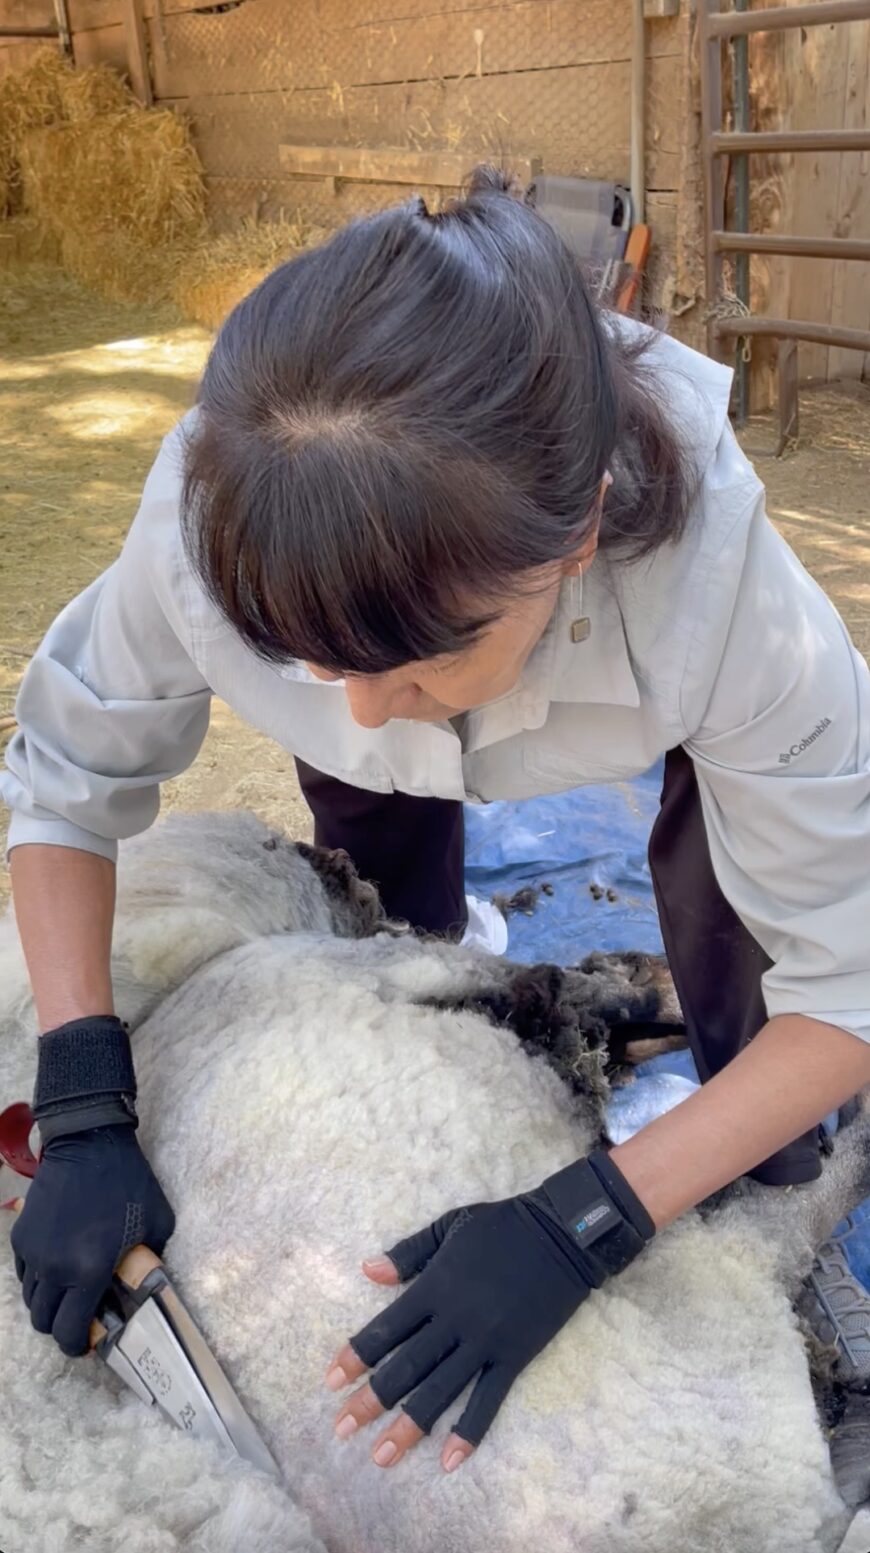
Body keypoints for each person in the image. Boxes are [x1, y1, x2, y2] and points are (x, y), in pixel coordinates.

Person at [3, 167, 870, 1480]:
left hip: (680, 719)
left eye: (413, 654)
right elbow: (62, 770)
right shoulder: (215, 515)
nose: (353, 703)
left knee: (736, 915)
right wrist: (78, 1093)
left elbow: (851, 973)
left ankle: (771, 1196)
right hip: (392, 614)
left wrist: (594, 1215)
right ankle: (432, 980)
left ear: (577, 533)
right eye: (300, 651)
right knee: (365, 806)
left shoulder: (725, 603)